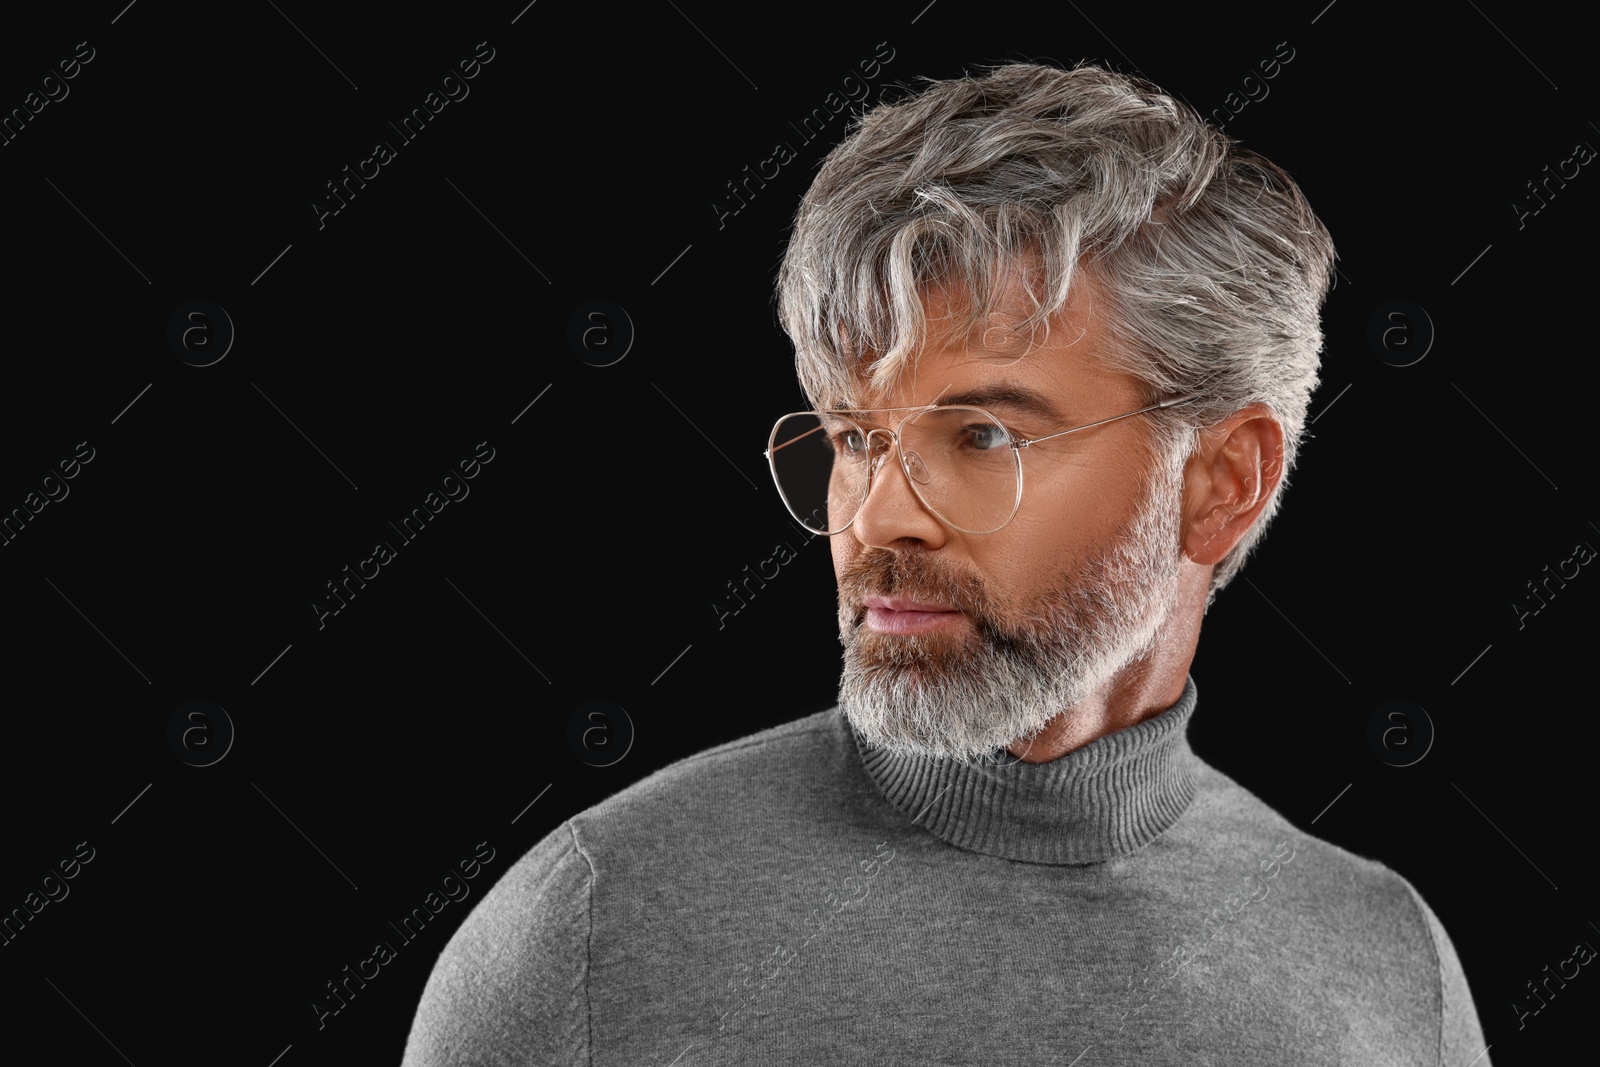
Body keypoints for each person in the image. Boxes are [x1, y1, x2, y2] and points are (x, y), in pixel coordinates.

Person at [401, 62, 1492, 1063]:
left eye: (981, 436)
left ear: (1222, 482)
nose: (877, 520)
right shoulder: (594, 930)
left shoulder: (1383, 964)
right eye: (856, 436)